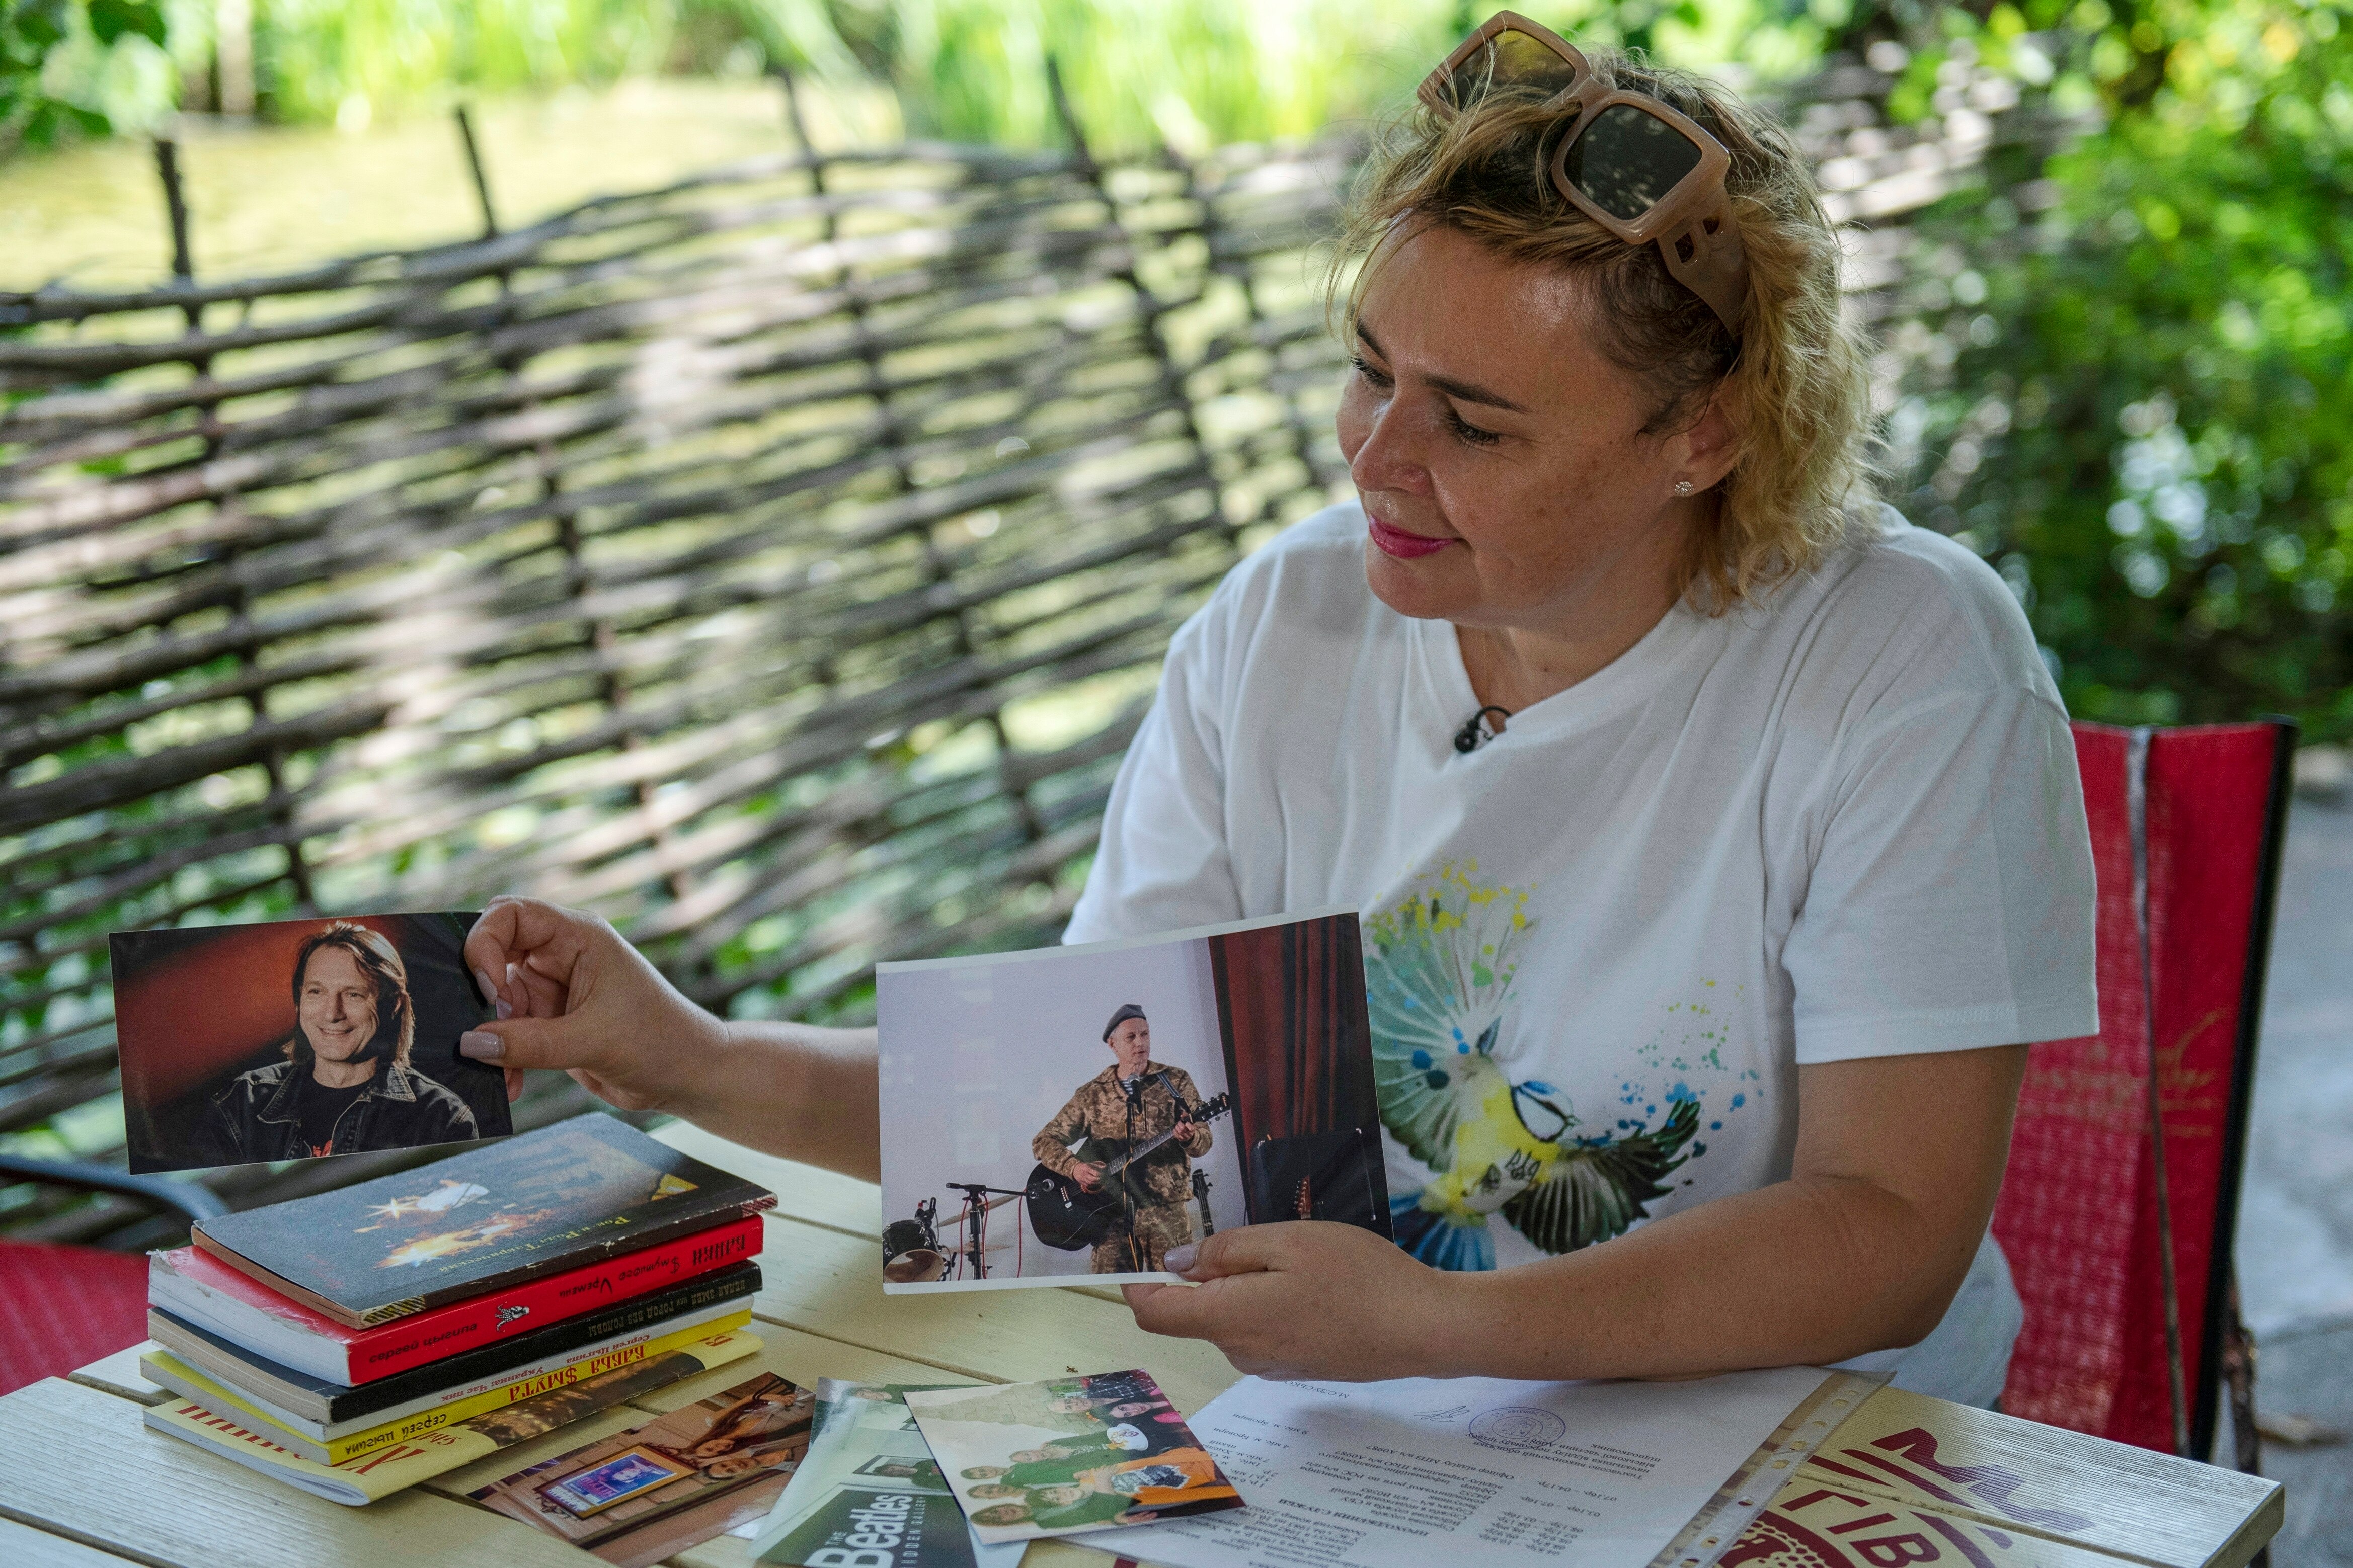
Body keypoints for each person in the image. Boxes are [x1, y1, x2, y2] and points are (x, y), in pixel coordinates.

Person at [453, 13, 2095, 1407]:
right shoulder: (1283, 623)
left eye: (1472, 423)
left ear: (1705, 435)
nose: (1374, 457)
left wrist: (1437, 1323)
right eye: (1370, 367)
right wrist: (695, 1057)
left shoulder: (1900, 660)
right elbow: (1066, 1115)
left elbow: (1888, 1228)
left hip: (1796, 1444)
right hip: (1365, 1427)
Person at [200, 920, 480, 1163]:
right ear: (299, 1001)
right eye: (316, 992)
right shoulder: (242, 1103)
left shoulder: (440, 1116)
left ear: (394, 1004)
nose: (332, 1014)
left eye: (353, 995)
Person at [1029, 1004, 1215, 1273]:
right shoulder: (1093, 1094)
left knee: (1177, 1287)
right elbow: (1044, 1141)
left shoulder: (1175, 1081)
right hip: (1110, 1218)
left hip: (1166, 1213)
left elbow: (1204, 1141)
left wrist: (1190, 1138)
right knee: (1114, 1292)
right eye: (1131, 1037)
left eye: (1145, 1035)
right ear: (1113, 1044)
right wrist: (1075, 1168)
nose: (1140, 1043)